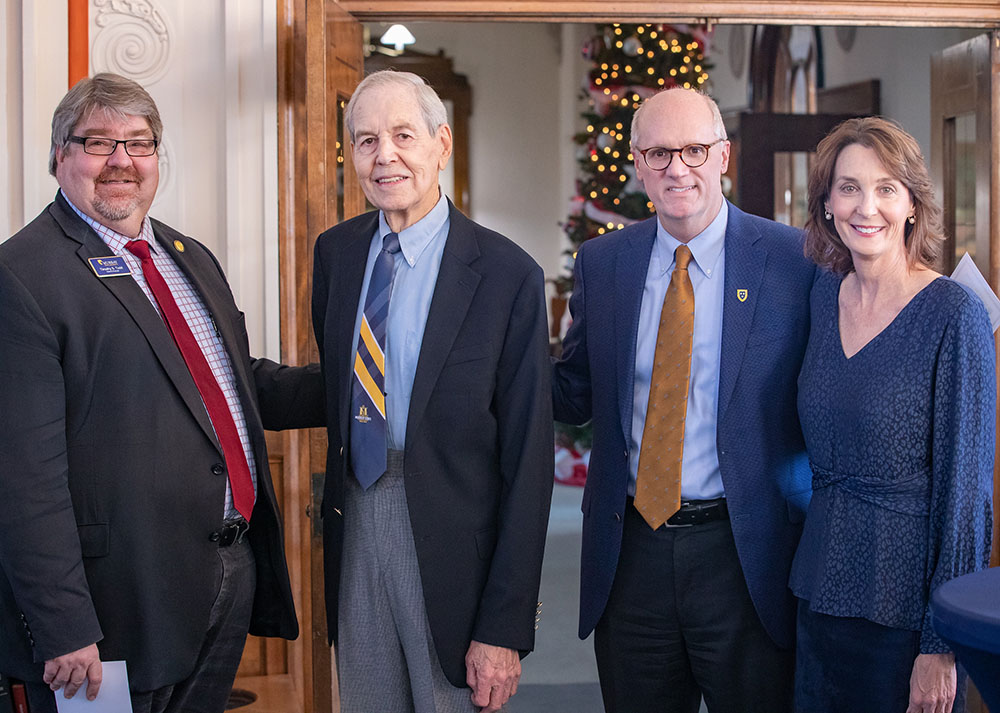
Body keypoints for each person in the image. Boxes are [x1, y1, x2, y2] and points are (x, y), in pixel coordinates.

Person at [0, 73, 324, 713]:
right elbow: (22, 477)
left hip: (224, 571)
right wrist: (64, 625)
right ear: (59, 156)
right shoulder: (22, 276)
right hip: (112, 600)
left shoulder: (186, 255)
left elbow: (231, 385)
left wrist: (362, 384)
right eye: (97, 142)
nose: (121, 160)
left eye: (139, 144)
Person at [552, 87, 816, 713]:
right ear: (638, 164)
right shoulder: (603, 262)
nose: (678, 168)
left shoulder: (791, 261)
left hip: (745, 555)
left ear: (723, 155)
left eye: (695, 150)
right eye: (660, 153)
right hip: (631, 555)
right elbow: (574, 390)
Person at [311, 70, 553, 713]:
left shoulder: (509, 276)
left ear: (441, 144)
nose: (383, 155)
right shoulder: (334, 255)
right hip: (355, 524)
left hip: (453, 552)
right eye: (365, 140)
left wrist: (503, 628)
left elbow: (529, 465)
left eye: (402, 135)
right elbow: (342, 385)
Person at [792, 116, 995, 713]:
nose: (866, 206)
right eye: (849, 187)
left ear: (912, 204)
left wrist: (942, 644)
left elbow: (966, 494)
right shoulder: (822, 294)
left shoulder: (953, 315)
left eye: (886, 188)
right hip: (816, 595)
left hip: (906, 615)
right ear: (827, 204)